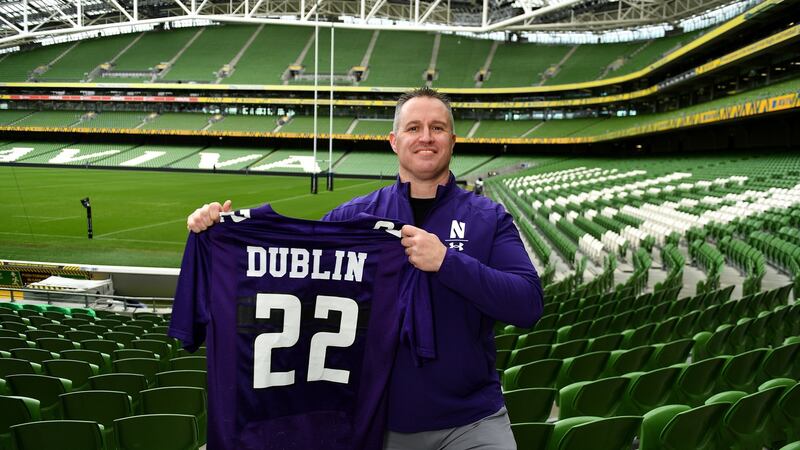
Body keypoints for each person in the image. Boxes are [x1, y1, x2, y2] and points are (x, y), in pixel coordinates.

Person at [187, 87, 544, 450]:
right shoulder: (353, 218)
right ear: (393, 140)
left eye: (437, 128)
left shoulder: (488, 217)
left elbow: (528, 304)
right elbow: (287, 275)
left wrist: (447, 262)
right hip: (374, 423)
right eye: (413, 128)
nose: (425, 137)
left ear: (452, 140)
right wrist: (220, 232)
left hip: (472, 422)